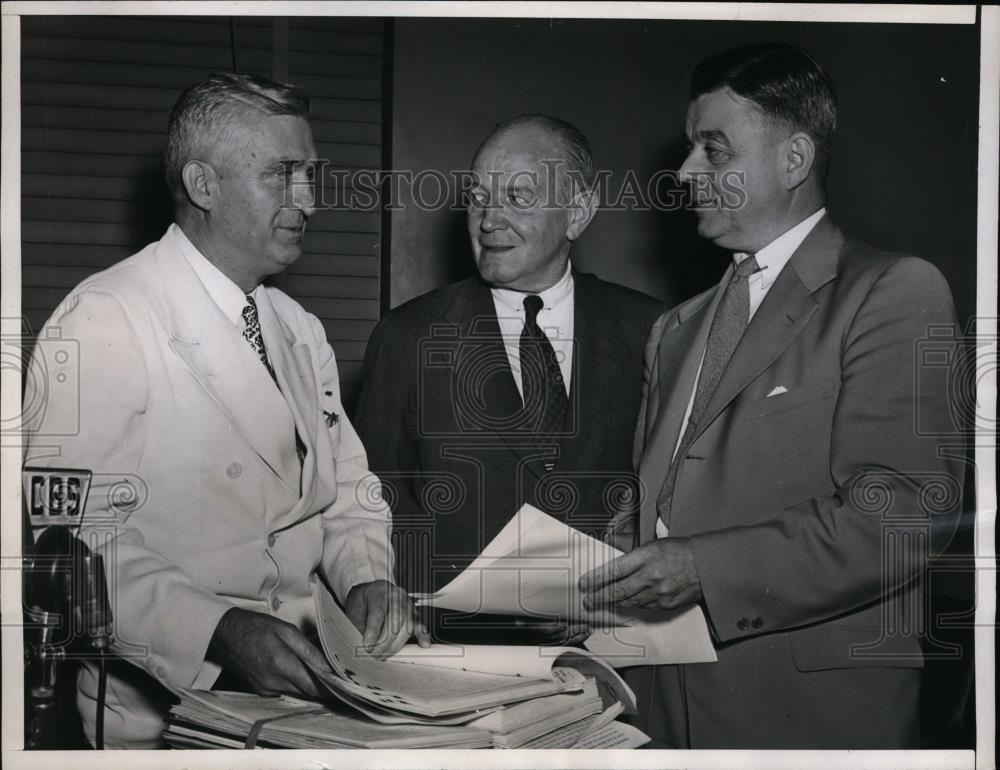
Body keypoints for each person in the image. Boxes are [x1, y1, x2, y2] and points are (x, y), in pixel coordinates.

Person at [23, 72, 428, 749]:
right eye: (283, 174)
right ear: (203, 185)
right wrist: (217, 630)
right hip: (165, 720)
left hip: (305, 704)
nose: (310, 201)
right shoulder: (104, 318)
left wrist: (367, 580)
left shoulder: (299, 330)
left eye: (311, 174)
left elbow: (347, 494)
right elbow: (69, 541)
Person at [579, 44, 963, 748]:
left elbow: (903, 514)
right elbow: (657, 507)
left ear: (793, 161)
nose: (687, 171)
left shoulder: (892, 292)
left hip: (807, 721)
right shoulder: (674, 328)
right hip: (659, 715)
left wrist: (704, 568)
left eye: (713, 151)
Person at [354, 114, 662, 644]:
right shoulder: (407, 336)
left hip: (611, 648)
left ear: (578, 214)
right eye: (478, 198)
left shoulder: (652, 330)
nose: (489, 220)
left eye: (518, 198)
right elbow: (369, 502)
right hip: (452, 653)